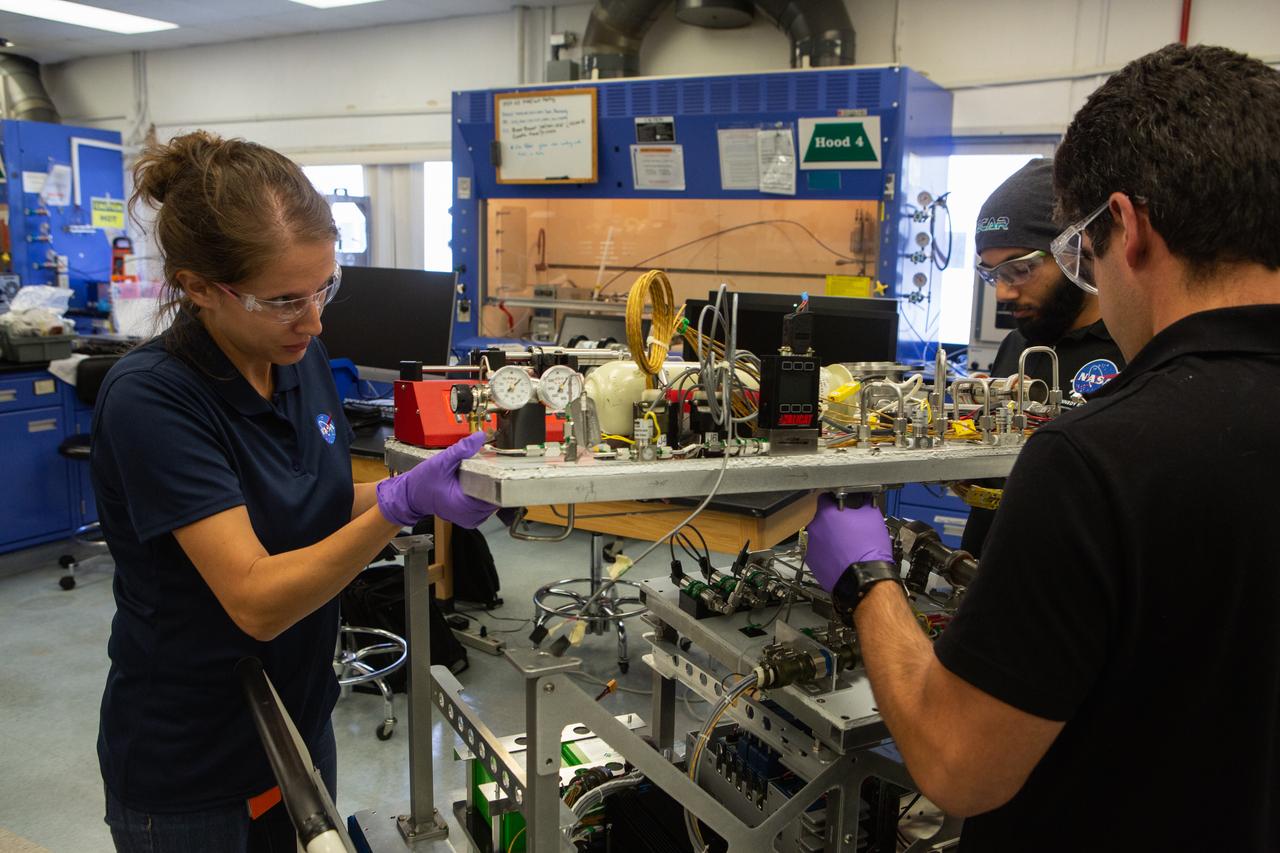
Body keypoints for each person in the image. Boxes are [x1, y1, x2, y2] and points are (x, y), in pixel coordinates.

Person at [805, 43, 1280, 851]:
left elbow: (957, 766)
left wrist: (865, 578)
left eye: (1077, 253)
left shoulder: (1102, 456)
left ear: (1124, 228)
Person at [93, 131, 496, 852]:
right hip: (193, 765)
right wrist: (399, 508)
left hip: (298, 727)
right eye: (282, 300)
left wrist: (413, 489)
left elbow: (310, 504)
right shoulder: (154, 399)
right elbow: (256, 599)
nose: (313, 322)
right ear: (197, 287)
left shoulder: (296, 358)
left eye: (323, 289)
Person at [960, 158, 1126, 556]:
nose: (1002, 294)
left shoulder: (1127, 350)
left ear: (1073, 252)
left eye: (1018, 270)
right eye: (993, 275)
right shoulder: (1018, 345)